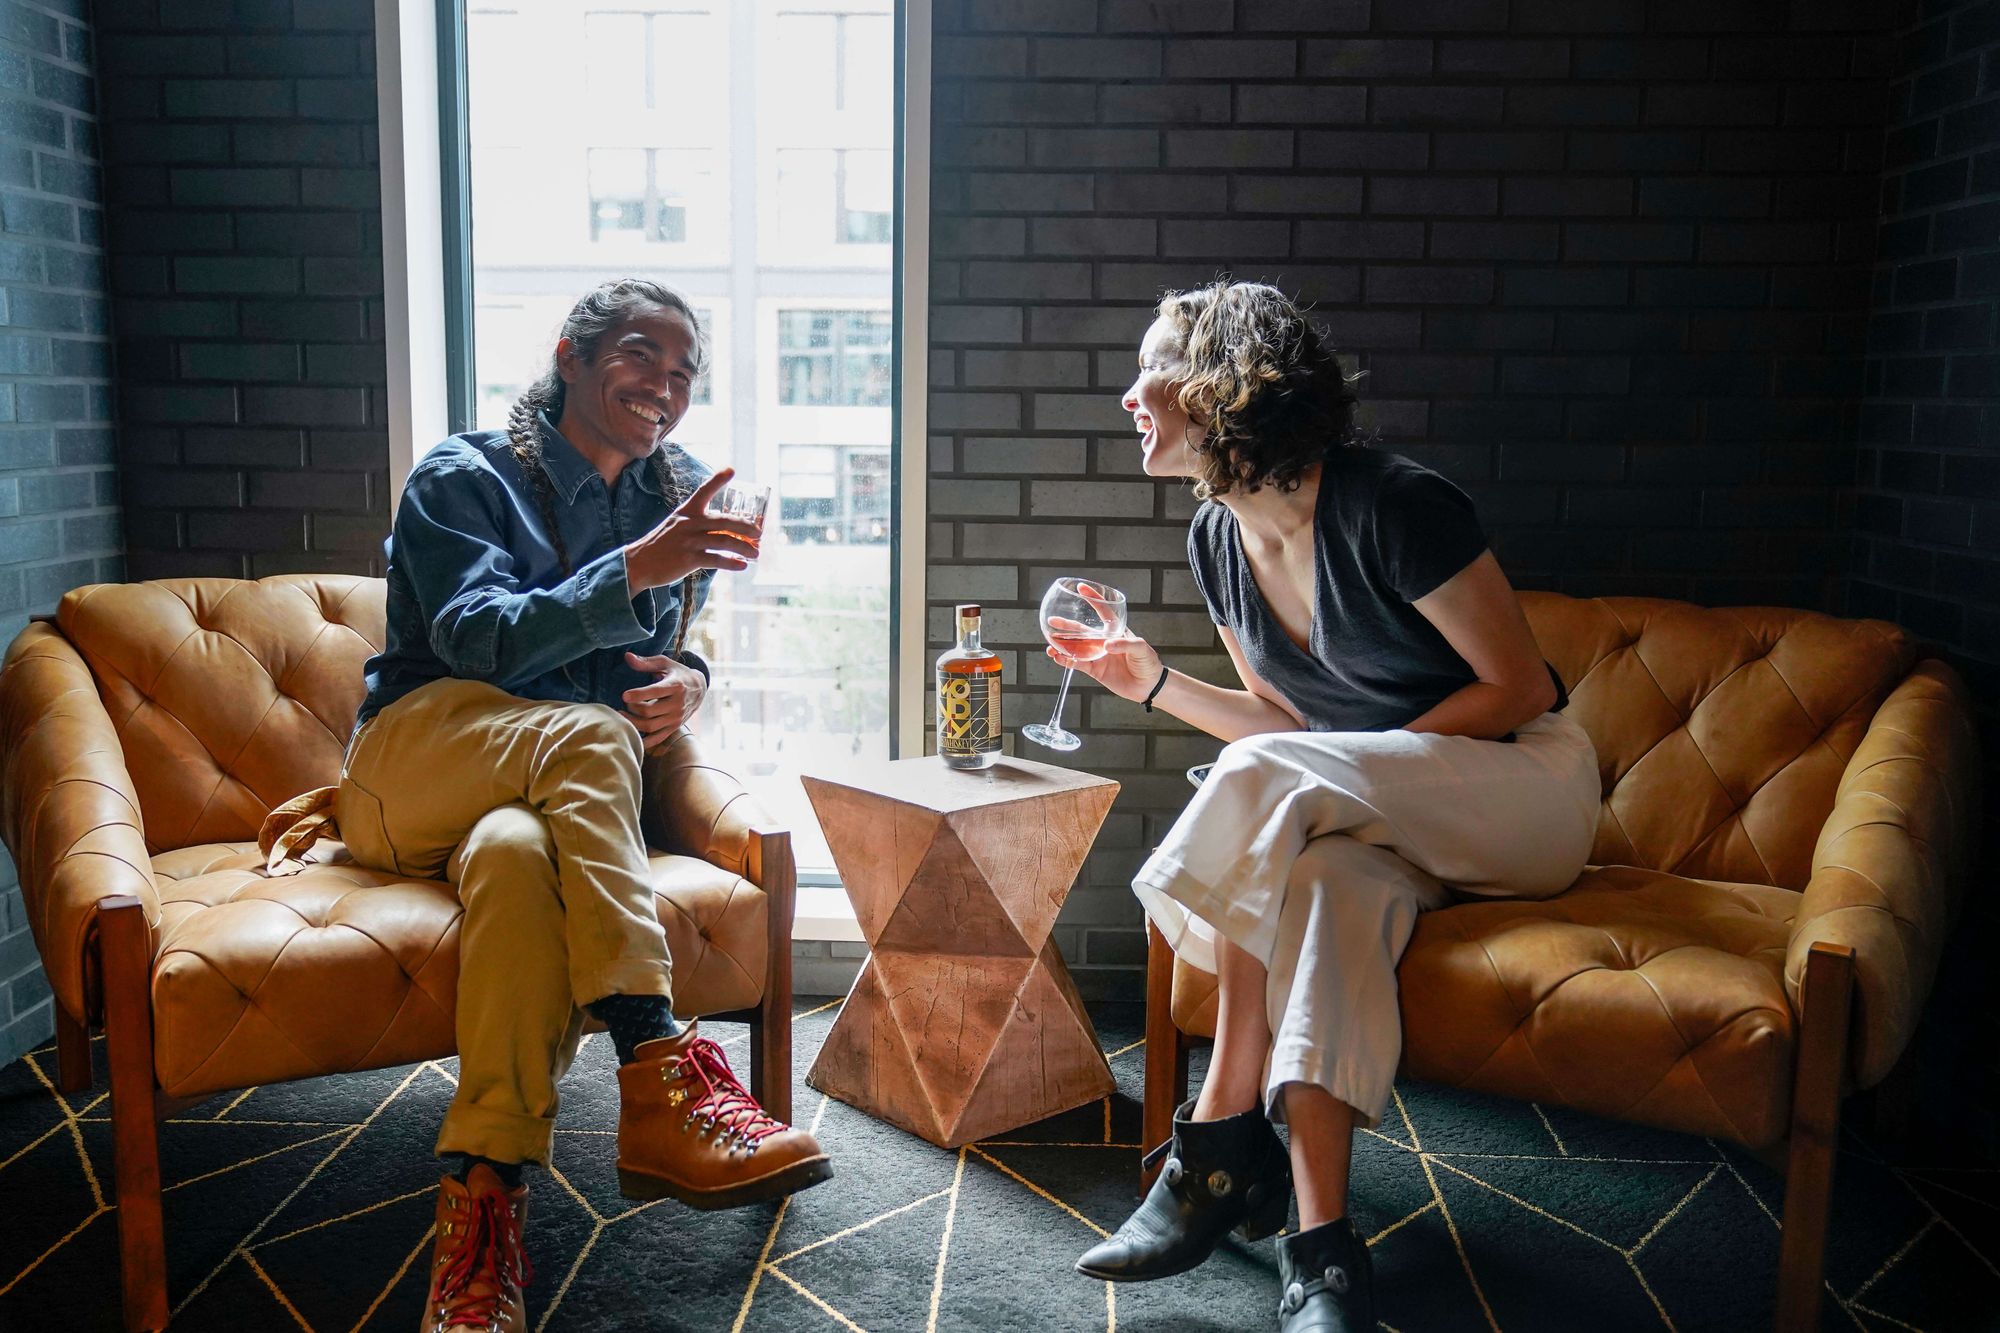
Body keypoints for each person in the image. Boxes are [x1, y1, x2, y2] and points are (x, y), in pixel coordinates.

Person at [1059, 282, 1599, 1332]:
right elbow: (1278, 728)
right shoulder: (1215, 540)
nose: (1127, 394)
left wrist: (1348, 767)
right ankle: (1321, 1248)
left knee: (1247, 787)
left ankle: (1212, 1138)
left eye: (1149, 368)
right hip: (1363, 819)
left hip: (1517, 790)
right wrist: (1153, 683)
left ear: (1219, 383)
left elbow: (1518, 689)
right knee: (1318, 886)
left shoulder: (1393, 503)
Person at [331, 279, 831, 1331]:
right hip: (414, 762)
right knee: (590, 733)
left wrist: (690, 677)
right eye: (644, 355)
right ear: (569, 356)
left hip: (533, 802)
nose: (667, 385)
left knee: (518, 863)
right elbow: (478, 638)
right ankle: (656, 1059)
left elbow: (672, 639)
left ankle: (482, 1213)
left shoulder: (675, 491)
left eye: (686, 372)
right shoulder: (462, 475)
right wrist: (638, 565)